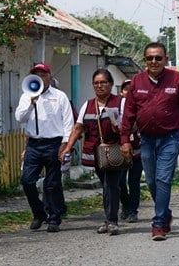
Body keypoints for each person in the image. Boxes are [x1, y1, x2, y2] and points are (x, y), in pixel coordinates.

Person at [120, 42, 179, 241]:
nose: (154, 61)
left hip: (170, 138)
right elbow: (128, 113)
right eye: (149, 58)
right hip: (145, 139)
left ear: (165, 59)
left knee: (163, 179)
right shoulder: (137, 81)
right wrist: (125, 140)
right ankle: (166, 213)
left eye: (158, 58)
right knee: (152, 181)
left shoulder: (177, 80)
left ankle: (158, 224)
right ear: (145, 60)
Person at [64, 69, 128, 235]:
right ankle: (109, 219)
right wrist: (68, 147)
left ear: (111, 84)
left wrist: (119, 129)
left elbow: (130, 126)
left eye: (103, 82)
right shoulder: (88, 104)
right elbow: (78, 127)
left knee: (111, 184)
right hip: (96, 152)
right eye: (96, 83)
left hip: (114, 149)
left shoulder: (120, 103)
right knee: (106, 185)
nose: (99, 86)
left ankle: (112, 220)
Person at [15, 63, 74, 233]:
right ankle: (39, 213)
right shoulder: (27, 96)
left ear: (50, 77)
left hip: (54, 143)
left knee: (52, 183)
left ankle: (54, 218)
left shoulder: (59, 96)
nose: (40, 77)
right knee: (27, 180)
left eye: (43, 74)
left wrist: (65, 145)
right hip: (34, 144)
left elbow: (68, 122)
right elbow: (20, 117)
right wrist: (31, 103)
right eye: (36, 74)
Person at [118, 79, 143, 223]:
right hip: (121, 149)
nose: (128, 92)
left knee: (134, 181)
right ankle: (126, 205)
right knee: (120, 181)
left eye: (131, 89)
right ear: (121, 92)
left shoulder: (140, 105)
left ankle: (133, 210)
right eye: (125, 89)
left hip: (138, 149)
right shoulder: (116, 106)